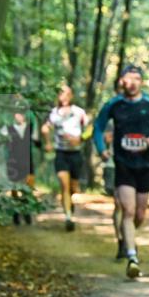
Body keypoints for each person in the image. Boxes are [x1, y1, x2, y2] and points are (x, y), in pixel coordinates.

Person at [93, 64, 149, 279]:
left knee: (139, 214)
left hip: (146, 165)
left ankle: (126, 238)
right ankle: (132, 257)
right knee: (127, 210)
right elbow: (98, 128)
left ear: (141, 82)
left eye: (136, 78)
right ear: (122, 81)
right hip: (123, 164)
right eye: (128, 79)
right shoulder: (114, 104)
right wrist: (102, 150)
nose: (132, 82)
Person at [42, 85, 89, 232]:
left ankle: (69, 202)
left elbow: (90, 129)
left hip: (75, 154)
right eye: (61, 94)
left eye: (67, 94)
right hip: (61, 153)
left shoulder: (79, 112)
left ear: (71, 96)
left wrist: (80, 138)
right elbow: (45, 128)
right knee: (64, 184)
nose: (64, 97)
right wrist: (48, 142)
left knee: (73, 187)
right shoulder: (54, 113)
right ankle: (68, 217)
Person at [1, 111, 40, 225]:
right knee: (14, 189)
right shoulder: (7, 128)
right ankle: (16, 213)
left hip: (28, 162)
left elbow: (37, 141)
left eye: (21, 113)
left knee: (28, 189)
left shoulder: (31, 128)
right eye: (16, 113)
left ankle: (27, 211)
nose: (19, 116)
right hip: (13, 163)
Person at [103, 78, 127, 259]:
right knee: (120, 205)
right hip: (114, 165)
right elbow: (104, 136)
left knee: (133, 209)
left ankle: (128, 238)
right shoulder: (111, 111)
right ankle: (121, 242)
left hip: (137, 166)